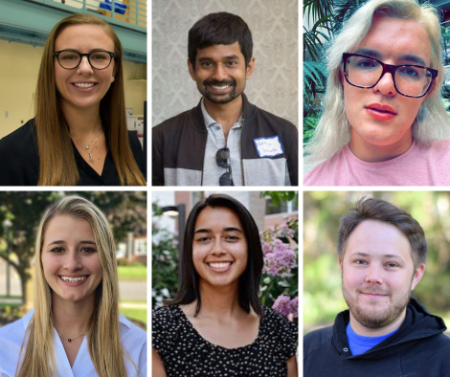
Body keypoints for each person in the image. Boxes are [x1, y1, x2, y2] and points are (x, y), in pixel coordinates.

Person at [304, 0, 450, 186]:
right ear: (341, 75)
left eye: (409, 70)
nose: (385, 85)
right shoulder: (311, 182)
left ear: (429, 88)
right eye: (366, 63)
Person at [152, 194, 298, 376]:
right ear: (190, 249)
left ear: (249, 246)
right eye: (204, 239)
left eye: (230, 237)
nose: (218, 250)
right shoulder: (160, 329)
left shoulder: (279, 330)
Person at [0, 196, 147, 376]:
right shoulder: (4, 346)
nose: (72, 264)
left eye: (87, 249)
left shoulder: (140, 348)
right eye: (58, 249)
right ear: (40, 258)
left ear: (106, 259)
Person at [304, 198, 450, 376]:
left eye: (391, 264)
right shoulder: (308, 350)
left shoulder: (444, 360)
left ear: (416, 275)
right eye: (360, 261)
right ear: (342, 267)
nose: (373, 277)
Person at [152, 12, 298, 186]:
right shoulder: (162, 138)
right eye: (207, 63)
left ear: (249, 67)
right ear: (192, 69)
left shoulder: (284, 133)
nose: (219, 76)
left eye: (230, 63)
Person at [0, 14, 146, 186]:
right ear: (51, 68)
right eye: (69, 56)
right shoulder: (10, 154)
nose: (85, 68)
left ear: (114, 71)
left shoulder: (131, 145)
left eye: (99, 56)